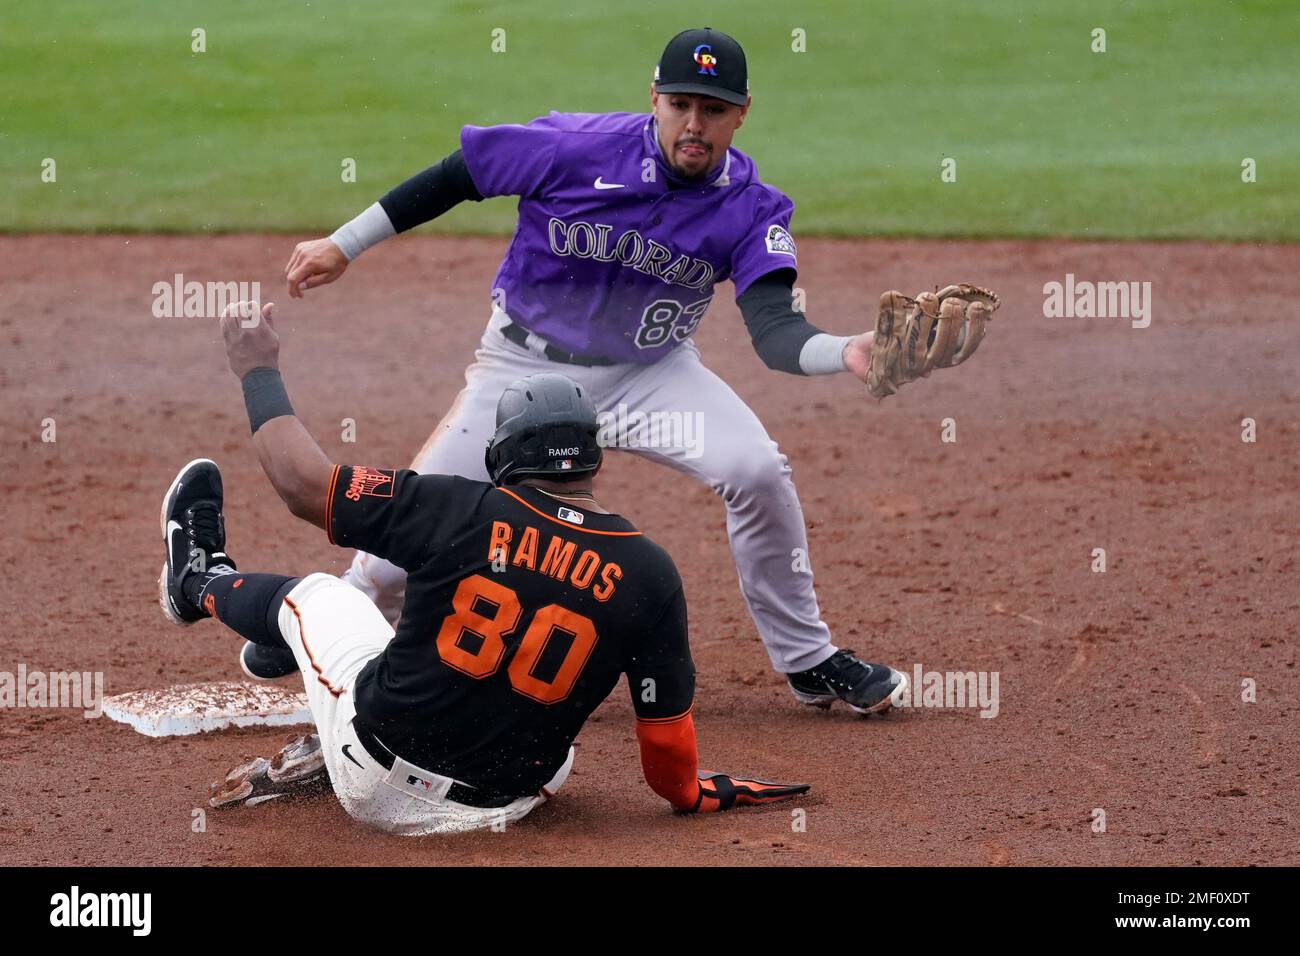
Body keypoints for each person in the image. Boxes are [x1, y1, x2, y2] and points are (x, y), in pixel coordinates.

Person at [281, 26, 911, 716]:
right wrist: (344, 244)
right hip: (521, 372)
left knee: (757, 470)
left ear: (743, 112)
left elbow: (775, 331)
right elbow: (457, 176)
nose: (694, 124)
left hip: (651, 378)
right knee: (397, 551)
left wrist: (846, 350)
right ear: (655, 99)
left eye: (714, 109)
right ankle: (316, 622)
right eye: (681, 104)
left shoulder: (753, 208)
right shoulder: (573, 147)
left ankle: (809, 660)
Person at [156, 299, 808, 833]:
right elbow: (668, 758)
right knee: (540, 731)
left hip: (376, 783)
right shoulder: (651, 572)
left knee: (325, 596)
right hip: (511, 804)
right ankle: (350, 750)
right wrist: (693, 795)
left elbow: (302, 485)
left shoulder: (456, 509)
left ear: (501, 458)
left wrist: (256, 368)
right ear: (592, 459)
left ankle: (196, 579)